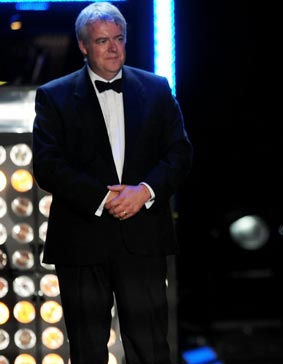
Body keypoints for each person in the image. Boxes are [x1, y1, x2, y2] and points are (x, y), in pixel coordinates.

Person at [32, 2, 193, 364]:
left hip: (143, 237)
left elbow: (180, 153)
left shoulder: (156, 88)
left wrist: (144, 192)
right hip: (81, 239)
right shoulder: (54, 96)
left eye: (118, 39)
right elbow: (47, 165)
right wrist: (104, 198)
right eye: (102, 41)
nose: (114, 48)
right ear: (83, 46)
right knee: (87, 351)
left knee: (151, 349)